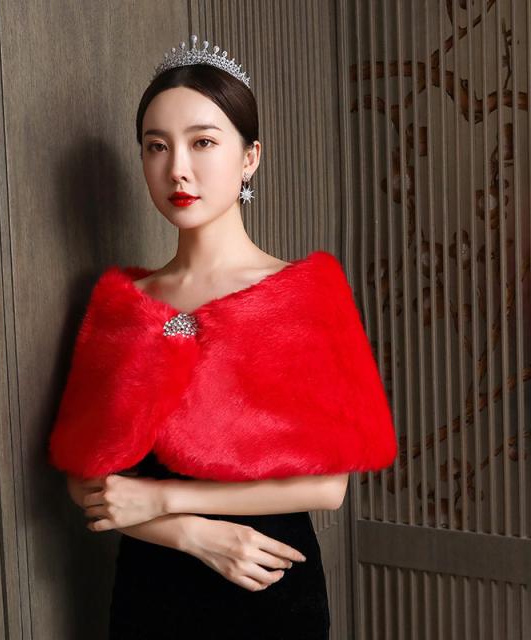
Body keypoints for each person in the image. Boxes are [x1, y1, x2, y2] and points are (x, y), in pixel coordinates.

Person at [49, 34, 397, 640]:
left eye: (203, 142)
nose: (177, 168)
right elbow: (86, 480)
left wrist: (163, 501)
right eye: (156, 146)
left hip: (265, 584)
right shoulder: (121, 304)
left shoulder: (304, 293)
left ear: (250, 157)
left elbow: (328, 487)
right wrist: (189, 532)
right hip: (150, 590)